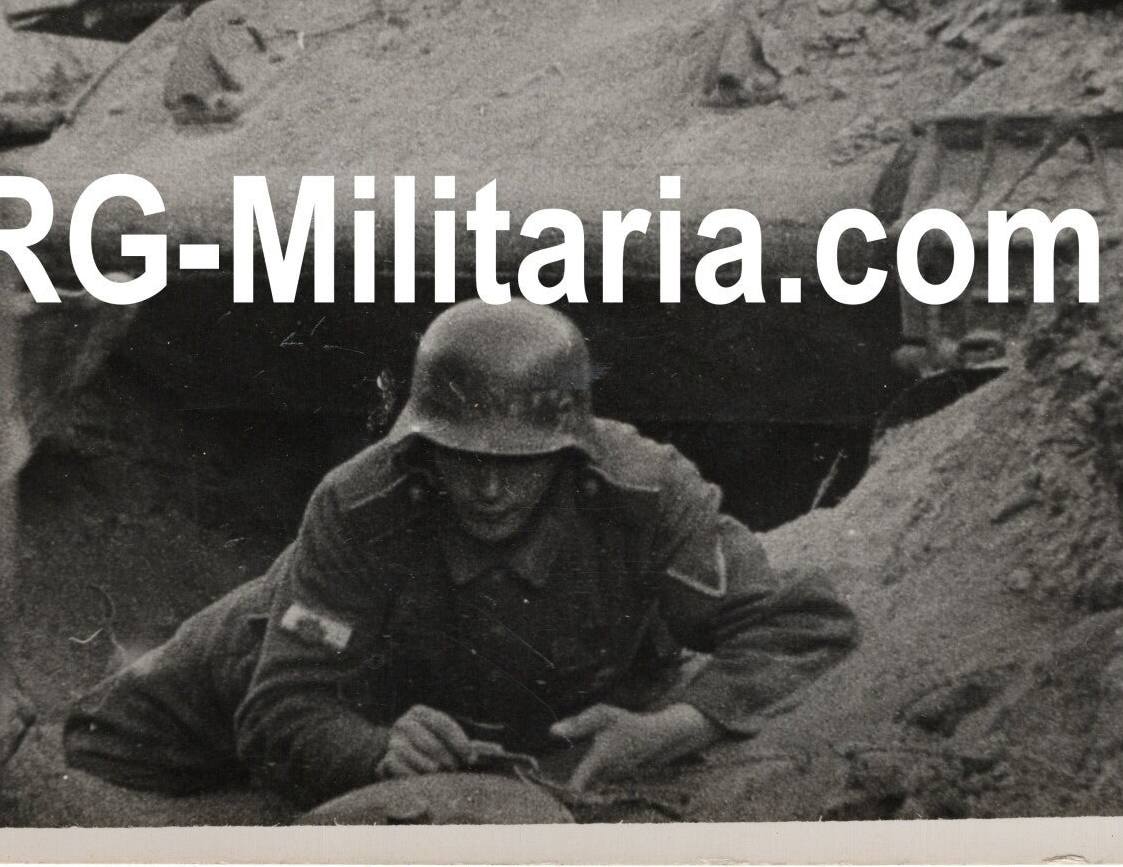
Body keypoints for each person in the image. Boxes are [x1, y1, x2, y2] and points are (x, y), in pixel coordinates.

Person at [63, 300, 857, 808]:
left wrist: (675, 727)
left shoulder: (641, 495)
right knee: (108, 741)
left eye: (516, 460)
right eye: (459, 454)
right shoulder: (358, 503)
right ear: (417, 441)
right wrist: (375, 750)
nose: (485, 487)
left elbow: (799, 622)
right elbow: (282, 709)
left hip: (520, 717)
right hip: (300, 669)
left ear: (570, 450)